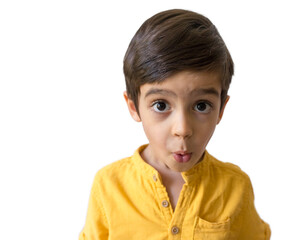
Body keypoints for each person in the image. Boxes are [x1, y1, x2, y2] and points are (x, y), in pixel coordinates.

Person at [79, 9, 271, 240]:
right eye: (161, 105)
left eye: (201, 106)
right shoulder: (109, 186)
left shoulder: (235, 187)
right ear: (133, 107)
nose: (182, 129)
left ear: (221, 109)